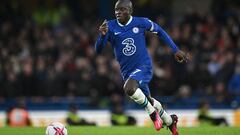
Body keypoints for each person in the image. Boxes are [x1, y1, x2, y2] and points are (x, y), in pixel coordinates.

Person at [95, 0, 188, 134]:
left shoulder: (141, 22)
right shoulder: (110, 26)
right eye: (116, 10)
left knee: (129, 89)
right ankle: (170, 121)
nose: (118, 12)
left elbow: (160, 31)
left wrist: (175, 50)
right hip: (126, 71)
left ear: (130, 11)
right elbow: (99, 50)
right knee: (148, 99)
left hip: (143, 66)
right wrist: (102, 36)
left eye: (122, 9)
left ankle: (152, 114)